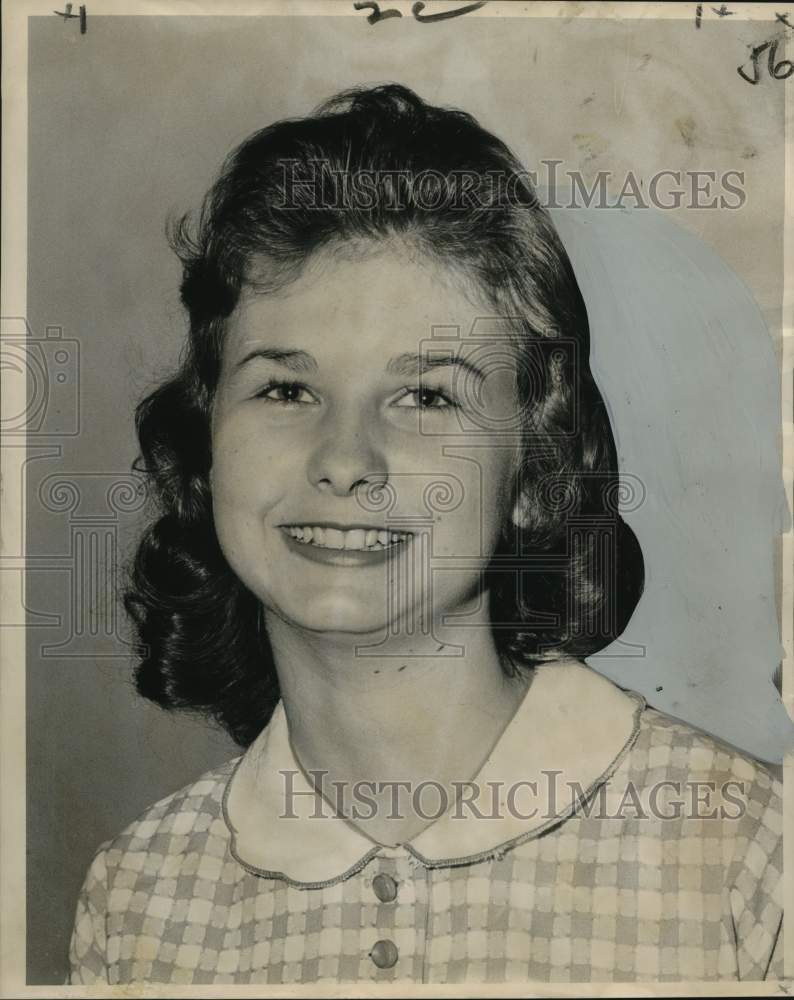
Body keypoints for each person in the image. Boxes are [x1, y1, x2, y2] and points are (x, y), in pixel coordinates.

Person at [68, 84, 783, 985]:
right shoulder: (137, 901)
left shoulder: (749, 860)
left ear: (534, 469)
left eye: (426, 396)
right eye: (285, 389)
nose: (345, 458)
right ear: (206, 446)